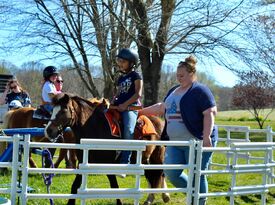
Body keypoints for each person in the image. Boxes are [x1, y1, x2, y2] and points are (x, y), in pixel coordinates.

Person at [138, 55, 218, 205]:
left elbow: (210, 113)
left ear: (191, 73)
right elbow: (161, 107)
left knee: (197, 174)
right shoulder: (174, 91)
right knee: (171, 173)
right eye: (177, 76)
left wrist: (206, 137)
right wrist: (141, 112)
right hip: (175, 142)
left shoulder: (200, 91)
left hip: (197, 141)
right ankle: (194, 192)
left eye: (182, 75)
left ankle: (200, 201)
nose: (179, 78)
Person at [112, 48, 143, 165]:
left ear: (131, 63)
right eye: (119, 61)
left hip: (131, 108)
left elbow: (137, 94)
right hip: (118, 106)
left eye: (123, 61)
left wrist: (125, 105)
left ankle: (125, 161)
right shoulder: (121, 78)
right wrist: (112, 102)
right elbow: (118, 93)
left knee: (128, 130)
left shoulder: (136, 75)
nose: (120, 64)